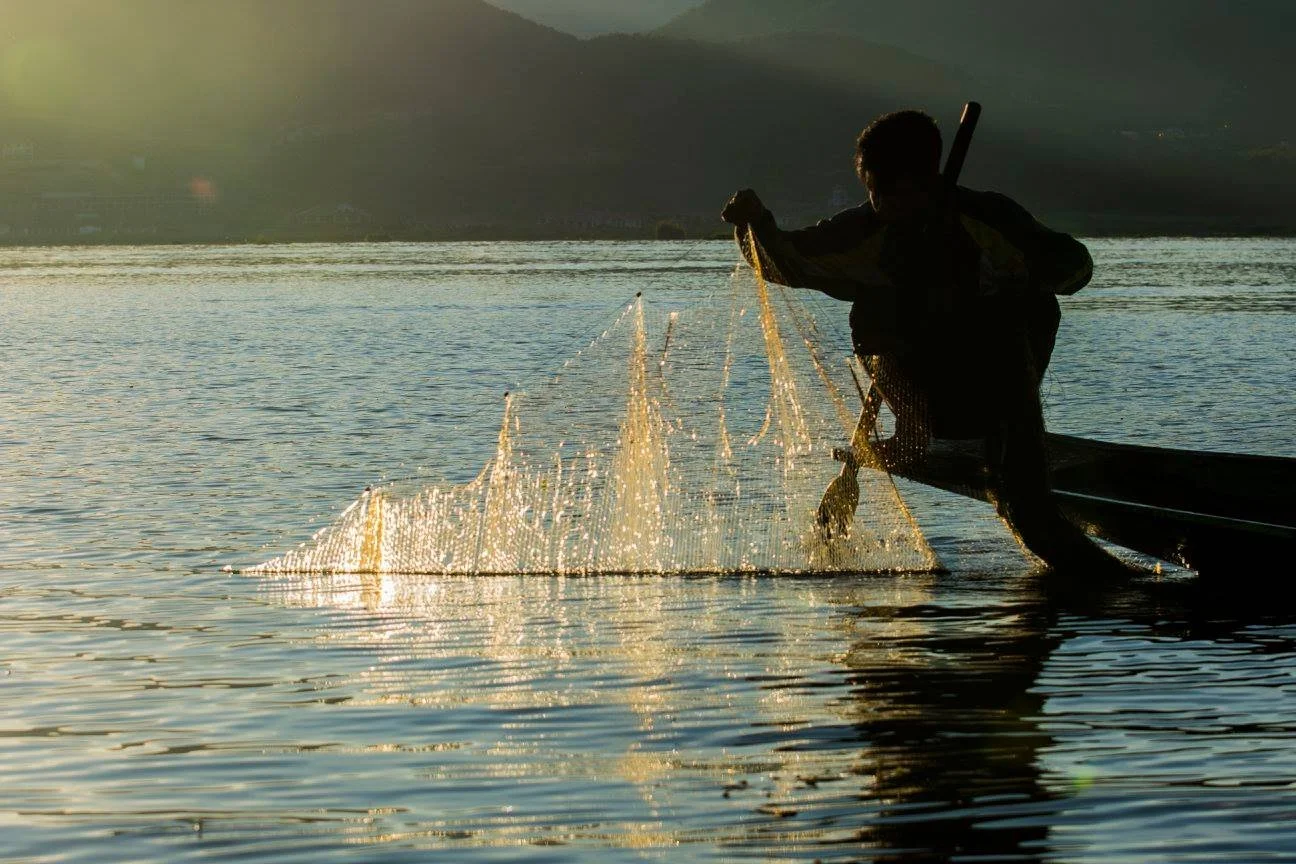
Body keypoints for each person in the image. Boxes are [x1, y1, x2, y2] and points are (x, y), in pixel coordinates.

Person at [721, 109, 1134, 577]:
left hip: (997, 387)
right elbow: (787, 262)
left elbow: (1075, 264)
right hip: (925, 389)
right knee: (874, 311)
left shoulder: (986, 218)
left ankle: (1030, 487)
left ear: (918, 183)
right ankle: (916, 434)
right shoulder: (866, 233)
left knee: (1028, 506)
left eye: (880, 191)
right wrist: (754, 221)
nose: (873, 201)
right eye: (869, 190)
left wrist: (1010, 277)